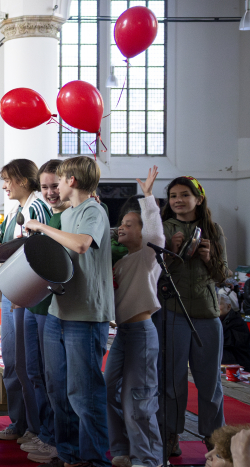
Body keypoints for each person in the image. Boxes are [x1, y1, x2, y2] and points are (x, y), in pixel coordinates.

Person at [23, 156, 114, 467]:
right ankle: (68, 454)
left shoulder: (93, 210)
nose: (54, 188)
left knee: (84, 394)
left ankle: (94, 460)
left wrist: (42, 227)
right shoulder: (71, 211)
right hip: (60, 311)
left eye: (58, 181)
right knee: (58, 389)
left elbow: (81, 245)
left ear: (71, 181)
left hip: (85, 315)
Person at [0, 159, 51, 445]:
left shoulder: (37, 206)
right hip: (13, 288)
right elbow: (1, 236)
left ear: (23, 181)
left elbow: (38, 250)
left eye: (7, 180)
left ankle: (36, 427)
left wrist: (25, 292)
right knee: (13, 361)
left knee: (29, 364)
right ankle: (19, 421)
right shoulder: (17, 208)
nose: (3, 185)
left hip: (25, 292)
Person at [158, 176, 228, 454]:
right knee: (171, 381)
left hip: (207, 315)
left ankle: (214, 438)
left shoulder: (214, 229)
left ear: (198, 199)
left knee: (210, 383)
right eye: (173, 195)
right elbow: (154, 275)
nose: (178, 200)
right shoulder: (163, 229)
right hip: (173, 312)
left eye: (184, 194)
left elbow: (223, 276)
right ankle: (171, 434)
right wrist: (170, 252)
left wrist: (210, 259)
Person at [104, 169, 163, 467]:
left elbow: (156, 233)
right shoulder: (122, 261)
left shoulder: (147, 257)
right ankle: (122, 450)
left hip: (141, 333)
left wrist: (148, 198)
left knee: (137, 400)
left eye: (130, 224)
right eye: (121, 223)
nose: (121, 227)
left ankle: (147, 459)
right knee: (108, 390)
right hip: (123, 335)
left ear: (142, 231)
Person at [19, 159, 67, 463]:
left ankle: (56, 438)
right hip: (34, 300)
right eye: (45, 186)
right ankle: (45, 432)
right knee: (37, 373)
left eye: (54, 186)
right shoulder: (50, 216)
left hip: (54, 306)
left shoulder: (67, 218)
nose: (49, 192)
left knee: (56, 380)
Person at [221, 289, 250, 370]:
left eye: (218, 304)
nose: (215, 307)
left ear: (229, 306)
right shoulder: (218, 320)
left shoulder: (237, 322)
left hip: (238, 362)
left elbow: (226, 342)